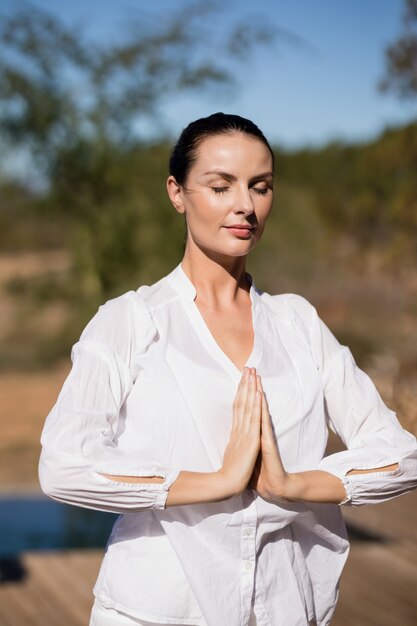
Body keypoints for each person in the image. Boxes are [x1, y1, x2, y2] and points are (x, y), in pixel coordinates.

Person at [39, 112, 417, 626]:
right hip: (156, 612)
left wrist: (293, 484)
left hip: (287, 608)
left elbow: (401, 456)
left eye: (260, 187)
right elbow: (64, 464)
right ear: (177, 192)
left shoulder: (298, 323)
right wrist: (216, 480)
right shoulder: (130, 321)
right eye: (221, 186)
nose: (245, 205)